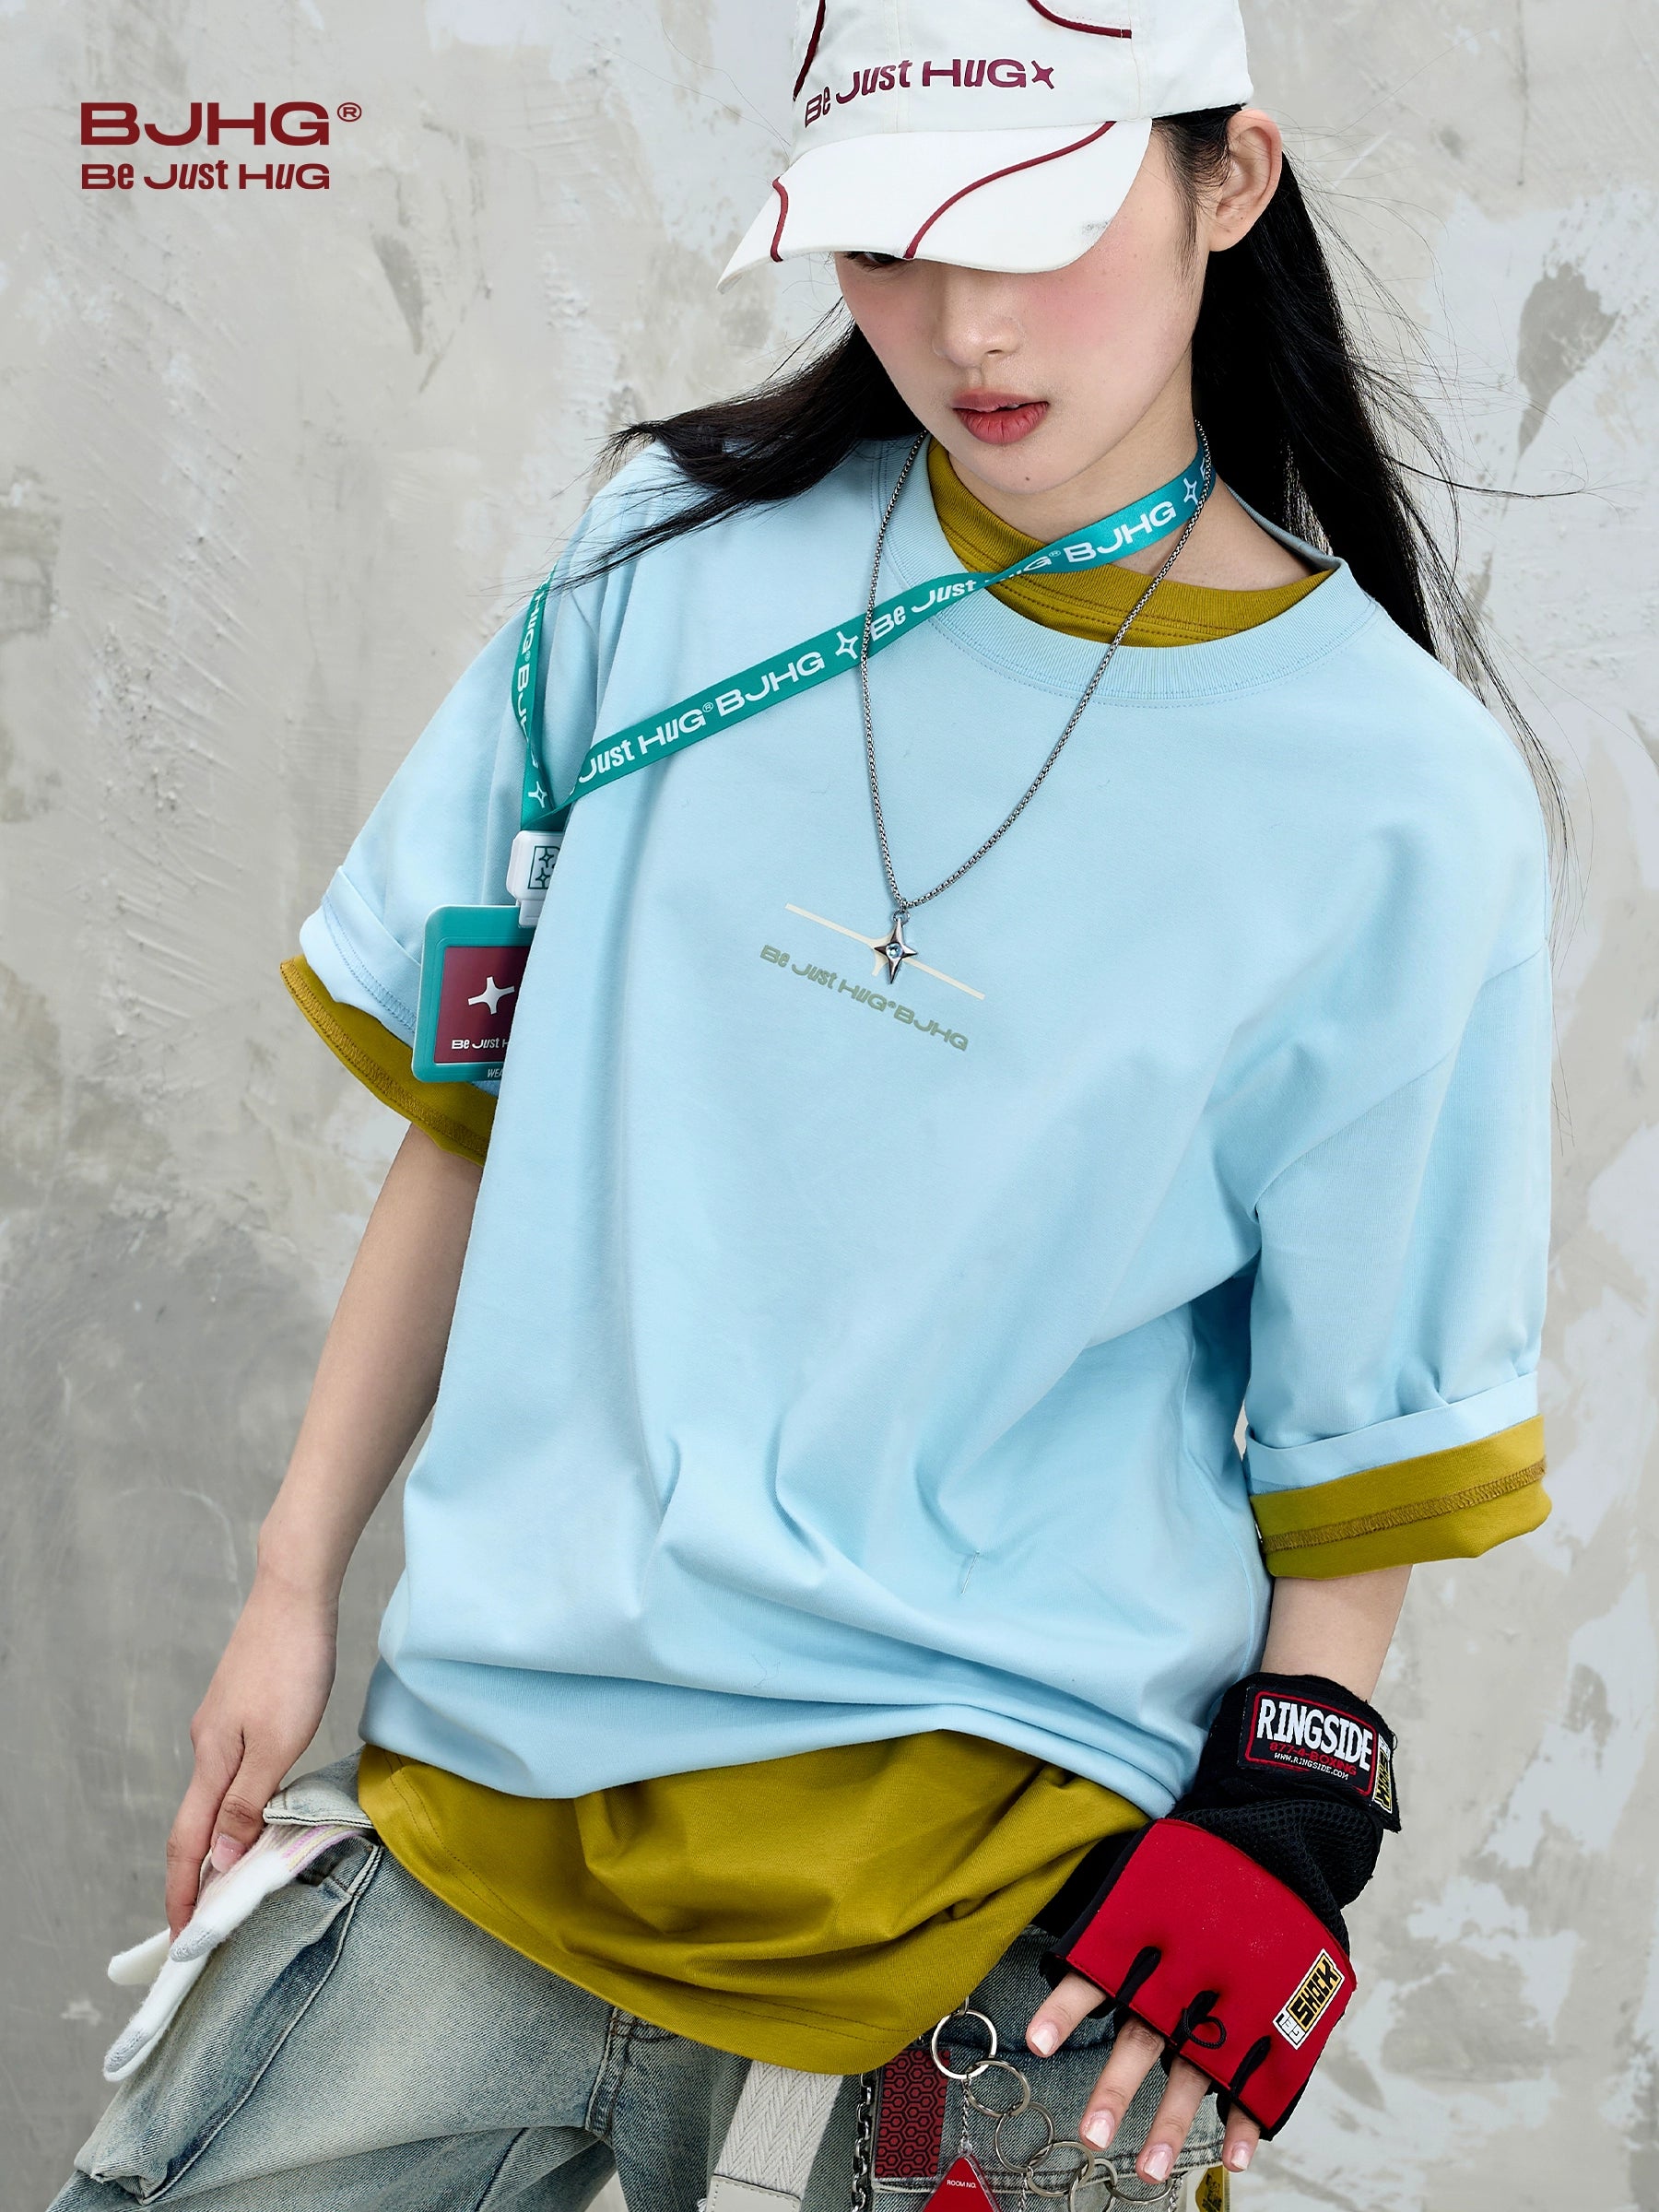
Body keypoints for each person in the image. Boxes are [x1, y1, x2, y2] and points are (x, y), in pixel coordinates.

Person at [50, 2, 1559, 2206]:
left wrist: (1291, 1829)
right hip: (498, 1783)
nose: (965, 326)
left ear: (1229, 182)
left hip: (1006, 1899)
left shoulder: (1404, 803)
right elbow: (471, 1119)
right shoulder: (667, 568)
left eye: (1034, 230)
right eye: (889, 243)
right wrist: (294, 1581)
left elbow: (1356, 1448)